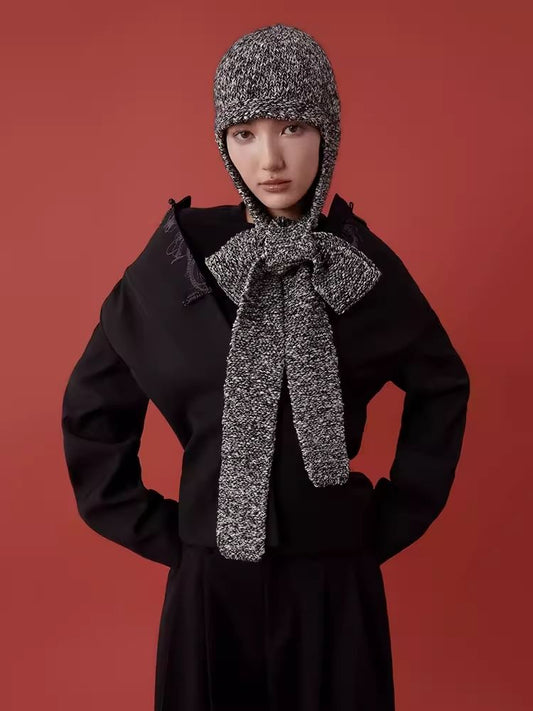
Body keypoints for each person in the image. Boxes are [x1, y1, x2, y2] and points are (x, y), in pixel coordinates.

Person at [61, 23, 470, 711]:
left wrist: (388, 521)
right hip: (210, 590)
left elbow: (442, 385)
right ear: (222, 141)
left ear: (327, 132)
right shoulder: (180, 265)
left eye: (293, 127)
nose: (270, 158)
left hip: (335, 585)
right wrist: (172, 534)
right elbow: (91, 411)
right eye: (245, 133)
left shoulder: (358, 263)